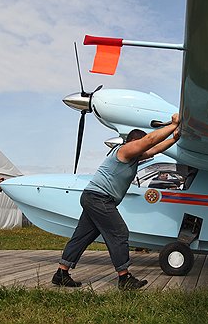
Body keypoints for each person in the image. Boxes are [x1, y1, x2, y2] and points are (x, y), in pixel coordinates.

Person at [52, 113, 181, 290]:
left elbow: (155, 149)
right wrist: (173, 125)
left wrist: (175, 138)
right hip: (99, 198)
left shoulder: (134, 157)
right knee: (119, 233)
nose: (143, 150)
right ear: (134, 142)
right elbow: (150, 141)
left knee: (82, 236)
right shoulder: (124, 151)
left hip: (95, 198)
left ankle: (61, 273)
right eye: (140, 145)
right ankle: (124, 277)